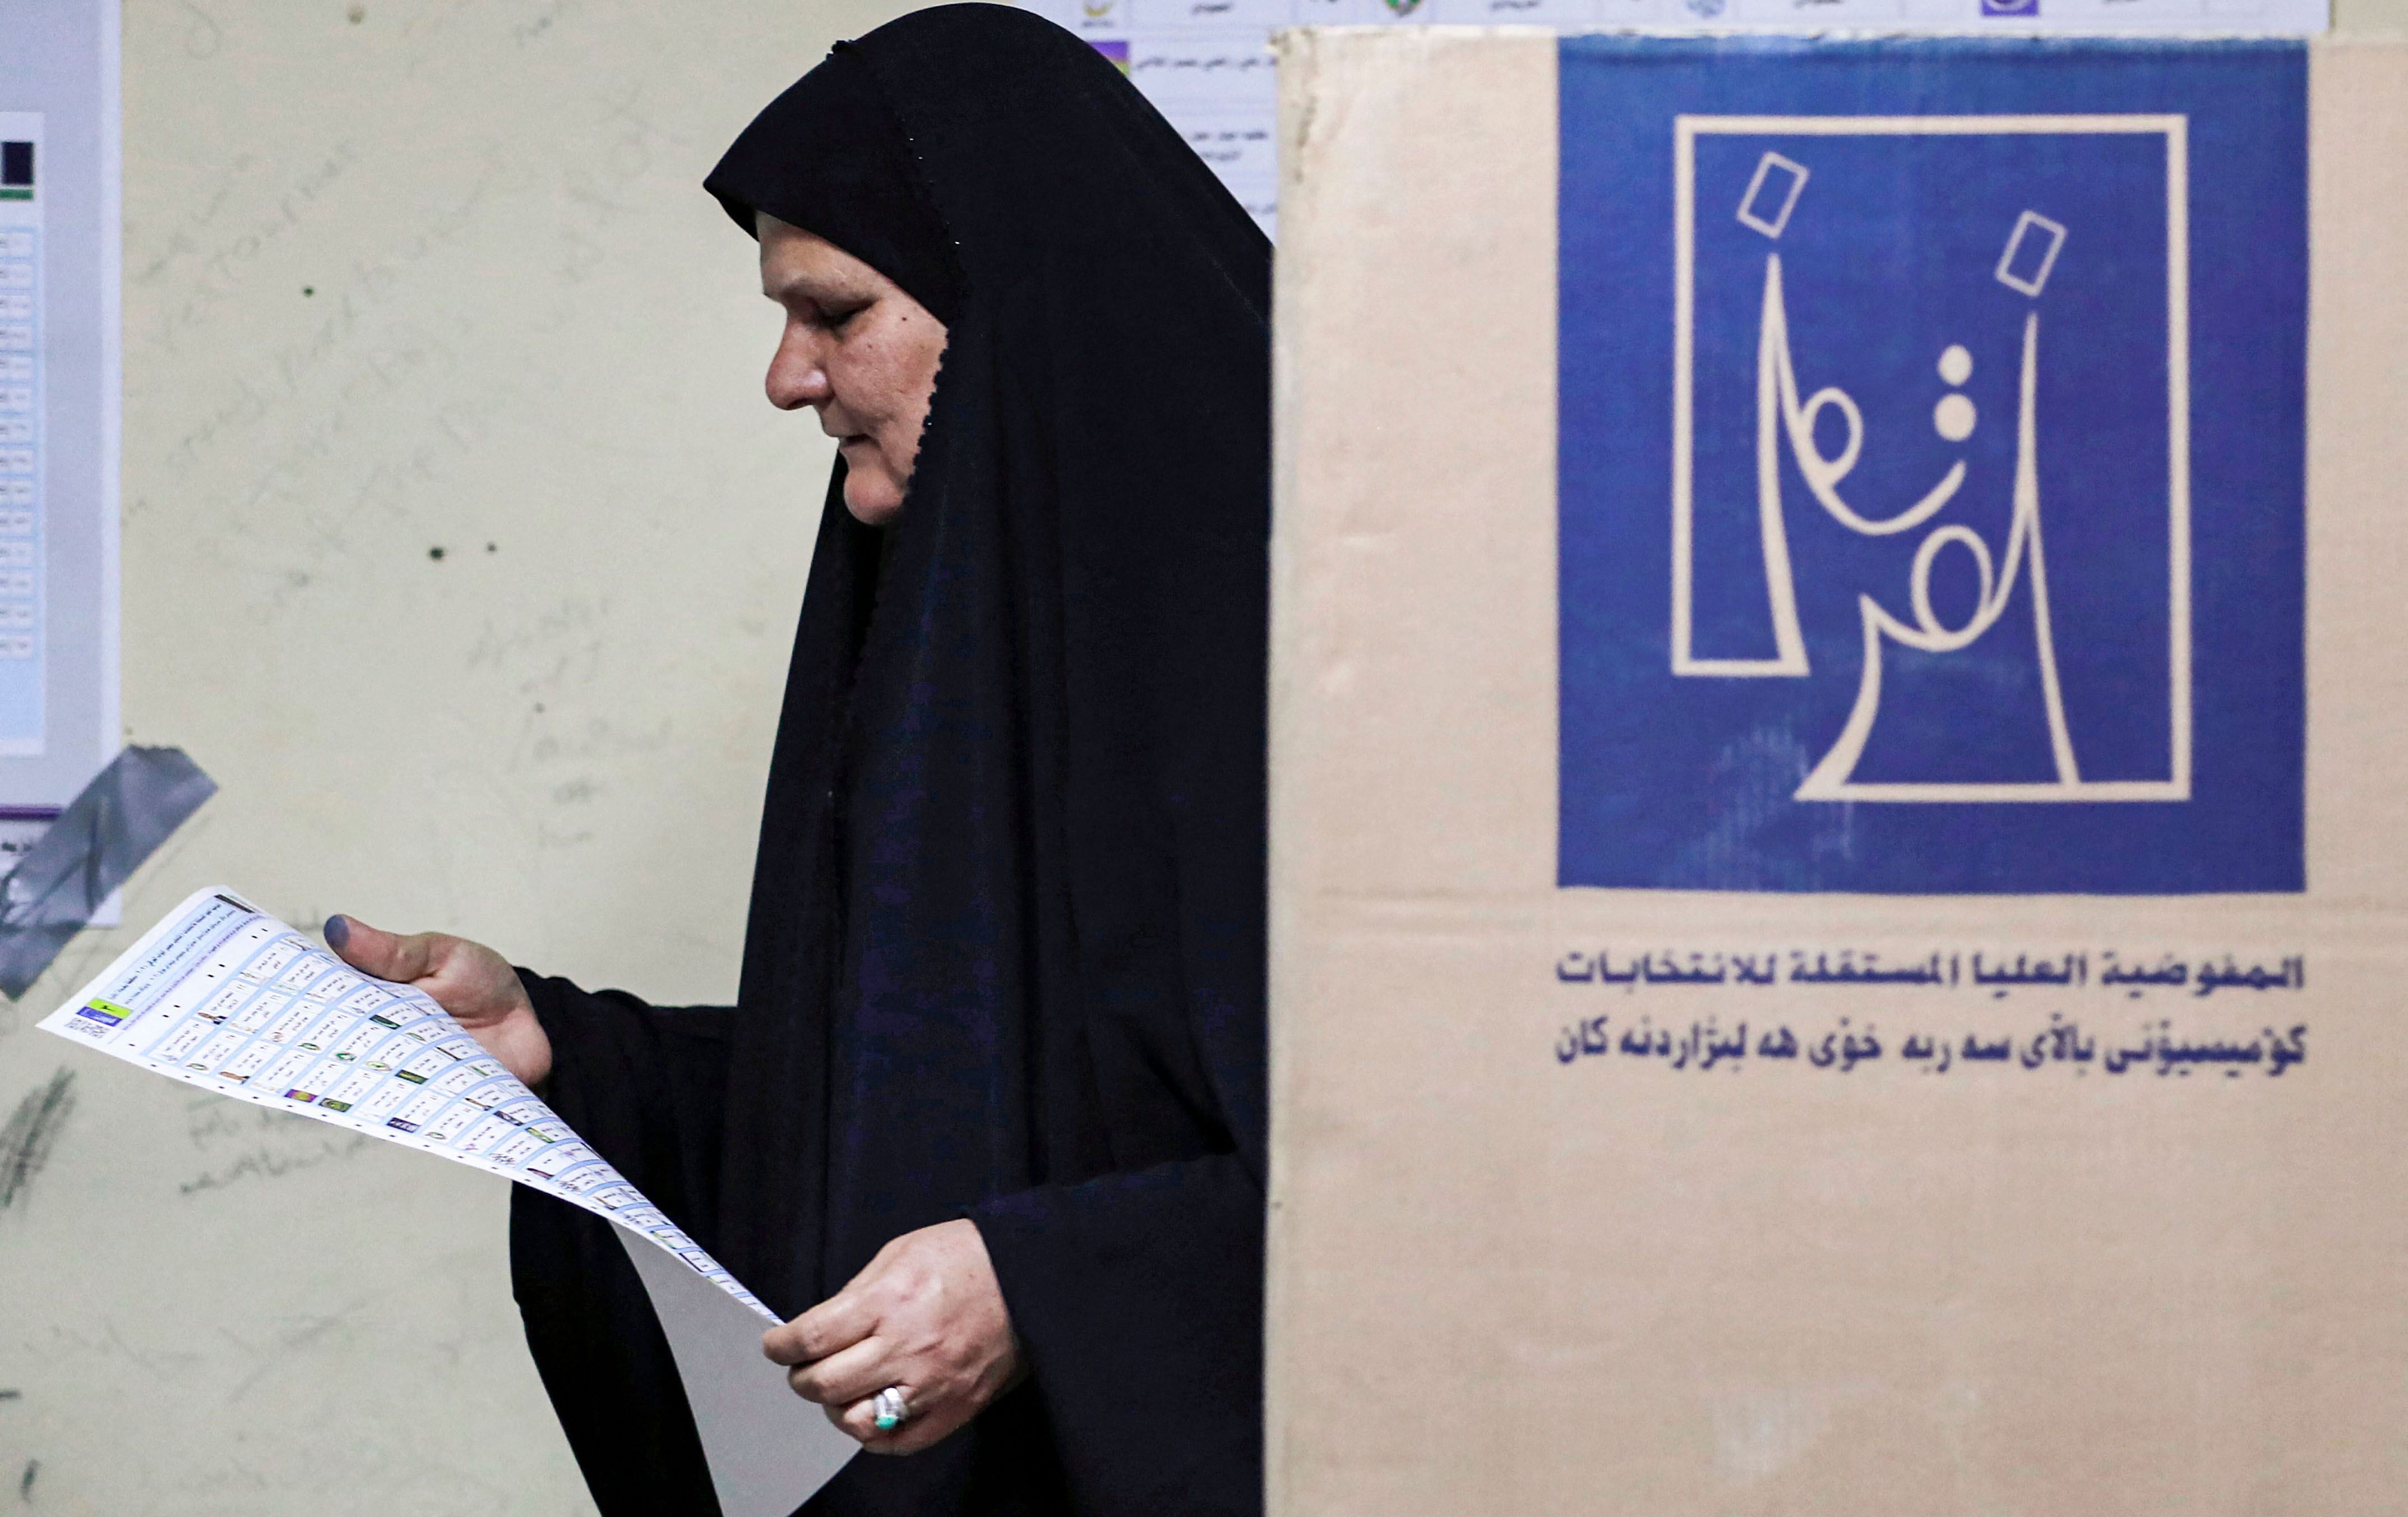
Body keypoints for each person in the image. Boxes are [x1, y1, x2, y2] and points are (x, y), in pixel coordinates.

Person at [321, 8, 1272, 1514]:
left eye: (836, 313)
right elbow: (950, 1076)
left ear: (1013, 308)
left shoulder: (1311, 647)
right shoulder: (946, 622)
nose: (786, 377)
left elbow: (1465, 1165)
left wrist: (1045, 1284)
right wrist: (575, 1059)